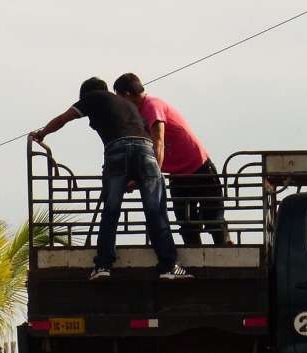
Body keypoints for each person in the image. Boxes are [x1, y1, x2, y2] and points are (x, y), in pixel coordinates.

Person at [30, 77, 192, 280]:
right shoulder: (127, 103)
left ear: (86, 95)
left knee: (111, 209)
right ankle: (169, 265)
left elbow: (64, 118)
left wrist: (42, 133)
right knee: (155, 209)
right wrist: (135, 176)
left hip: (118, 151)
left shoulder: (92, 97)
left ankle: (103, 265)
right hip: (145, 151)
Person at [113, 73, 229, 245]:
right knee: (186, 222)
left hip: (198, 167)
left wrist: (152, 175)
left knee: (213, 218)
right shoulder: (136, 113)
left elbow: (157, 141)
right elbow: (139, 150)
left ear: (127, 95)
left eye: (119, 98)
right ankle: (196, 259)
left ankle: (224, 252)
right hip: (178, 174)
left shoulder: (152, 105)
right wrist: (132, 177)